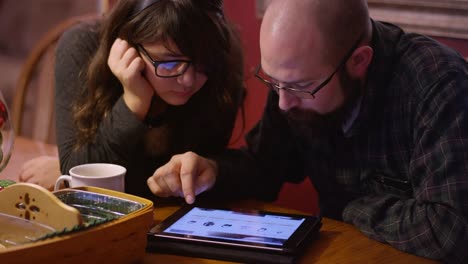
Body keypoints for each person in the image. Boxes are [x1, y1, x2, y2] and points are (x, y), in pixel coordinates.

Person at [147, 0, 468, 262]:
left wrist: (351, 206)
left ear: (358, 61)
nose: (283, 103)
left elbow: (451, 230)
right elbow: (265, 165)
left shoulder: (439, 86)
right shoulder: (294, 75)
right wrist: (213, 171)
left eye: (301, 88)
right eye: (273, 82)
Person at [20, 0, 245, 196]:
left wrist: (72, 173)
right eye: (169, 63)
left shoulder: (222, 59)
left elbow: (193, 180)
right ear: (128, 46)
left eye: (202, 62)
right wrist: (133, 102)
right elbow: (79, 175)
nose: (188, 80)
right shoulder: (81, 48)